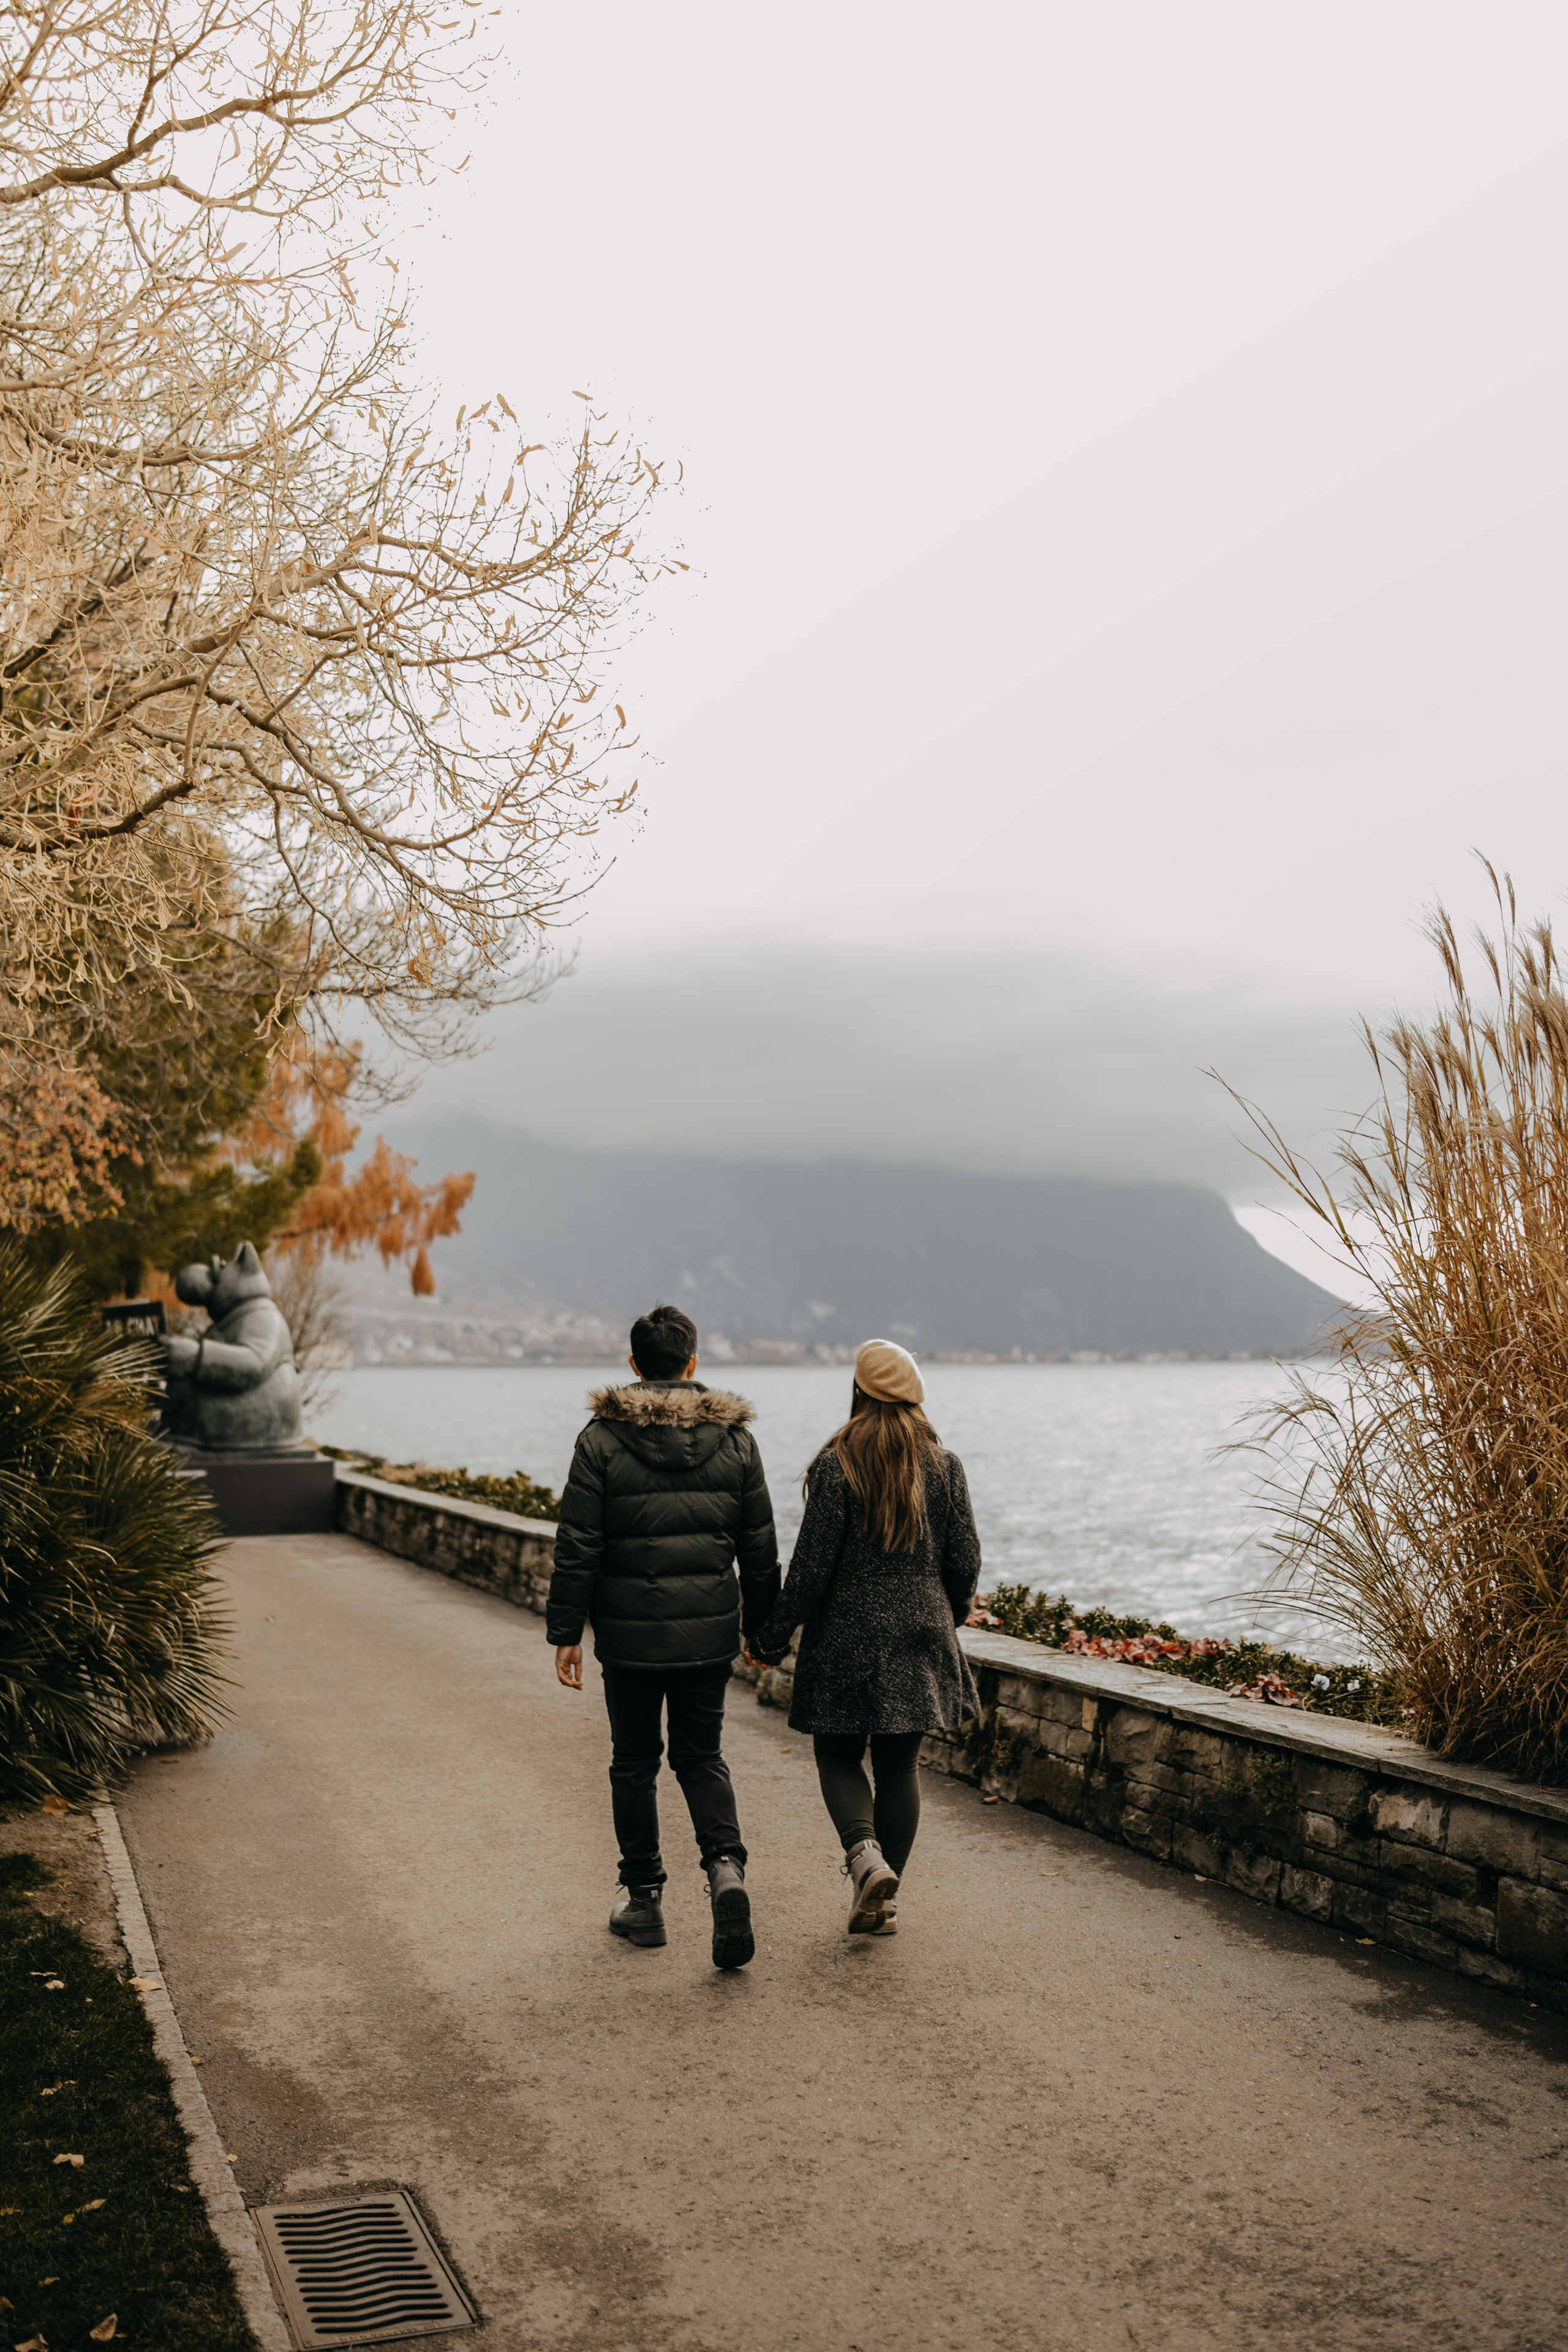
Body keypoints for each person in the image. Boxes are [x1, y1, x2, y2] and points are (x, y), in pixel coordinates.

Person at [547, 1303, 780, 1969]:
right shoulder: (736, 1440)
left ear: (632, 1367)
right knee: (701, 1758)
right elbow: (758, 1549)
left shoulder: (599, 1439)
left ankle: (644, 1900)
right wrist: (763, 1631)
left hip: (627, 1640)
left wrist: (566, 1631)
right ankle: (726, 1871)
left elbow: (578, 1546)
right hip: (707, 1636)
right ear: (693, 1363)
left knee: (633, 1763)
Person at [746, 1338, 980, 1936]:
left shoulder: (837, 1465)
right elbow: (965, 1562)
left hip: (847, 1635)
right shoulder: (944, 1465)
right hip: (920, 1632)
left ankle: (865, 1860)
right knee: (899, 1767)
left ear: (858, 1391)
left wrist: (769, 1639)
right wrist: (944, 1617)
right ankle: (882, 1894)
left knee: (838, 1754)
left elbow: (810, 1571)